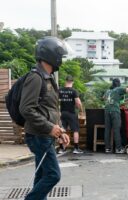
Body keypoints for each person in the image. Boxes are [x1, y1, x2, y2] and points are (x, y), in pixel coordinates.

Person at [20, 36, 70, 200]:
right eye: (60, 55)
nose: (61, 59)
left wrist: (60, 130)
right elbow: (26, 108)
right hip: (38, 135)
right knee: (53, 175)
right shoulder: (35, 77)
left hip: (45, 134)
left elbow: (51, 109)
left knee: (41, 175)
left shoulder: (48, 78)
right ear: (51, 55)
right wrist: (50, 128)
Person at [103, 78, 128, 154]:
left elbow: (104, 98)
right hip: (115, 111)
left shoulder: (108, 91)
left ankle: (107, 148)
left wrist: (115, 101)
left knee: (107, 129)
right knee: (116, 129)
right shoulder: (118, 89)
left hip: (107, 111)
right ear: (118, 84)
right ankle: (118, 149)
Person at [58, 75, 84, 154]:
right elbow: (78, 103)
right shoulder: (74, 91)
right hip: (71, 113)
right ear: (72, 82)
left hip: (62, 113)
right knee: (75, 130)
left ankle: (62, 149)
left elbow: (56, 102)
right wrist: (81, 110)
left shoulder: (60, 90)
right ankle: (76, 148)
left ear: (66, 81)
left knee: (62, 130)